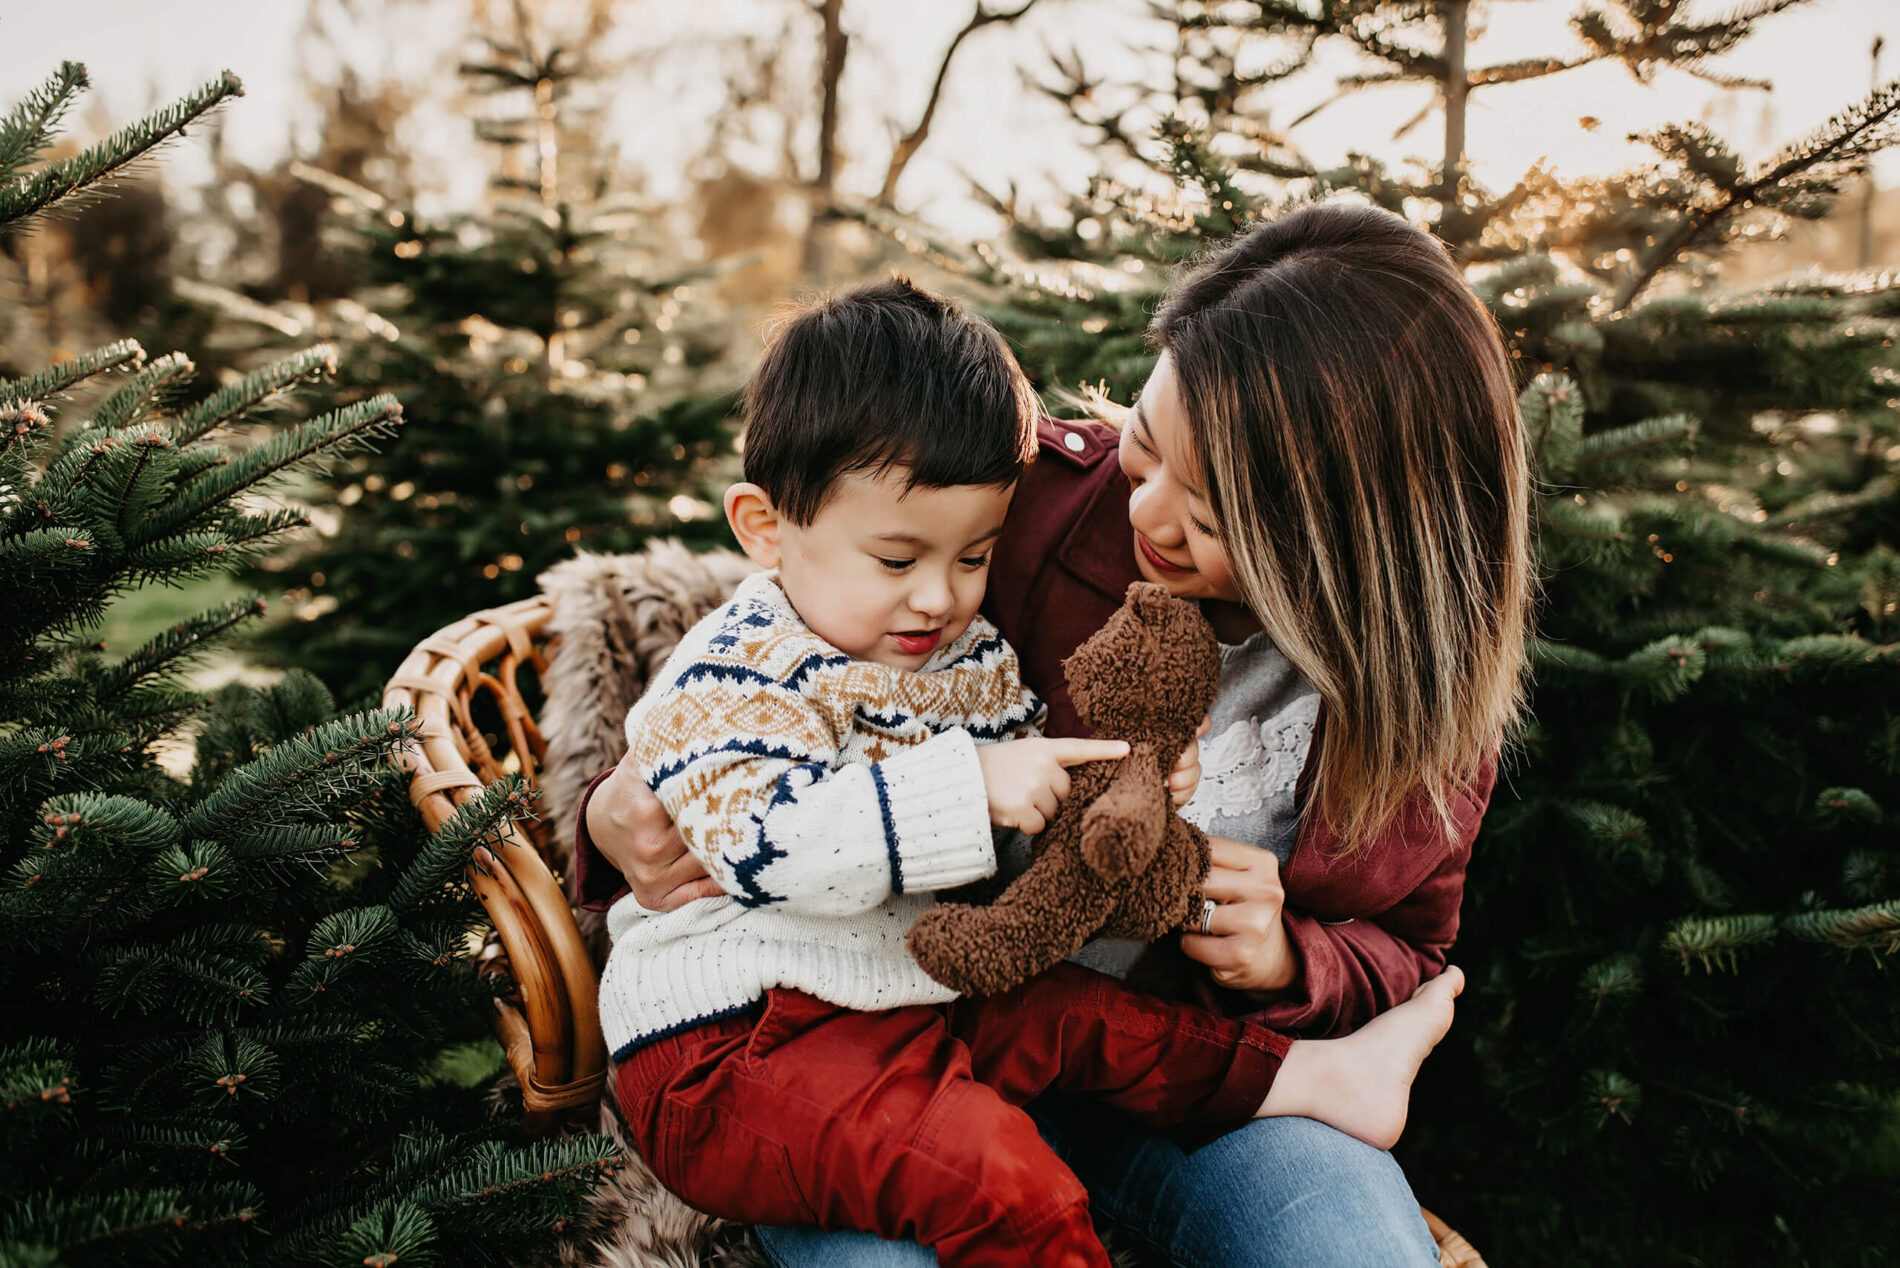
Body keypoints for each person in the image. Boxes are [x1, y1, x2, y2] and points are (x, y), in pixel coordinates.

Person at [579, 203, 1533, 1267]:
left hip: (1176, 1078)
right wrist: (616, 818)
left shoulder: (1421, 694)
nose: (1148, 515)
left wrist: (1288, 956)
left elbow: (1406, 942)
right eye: (1146, 444)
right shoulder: (1014, 495)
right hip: (878, 1018)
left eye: (1209, 514)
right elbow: (783, 634)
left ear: (1337, 547)